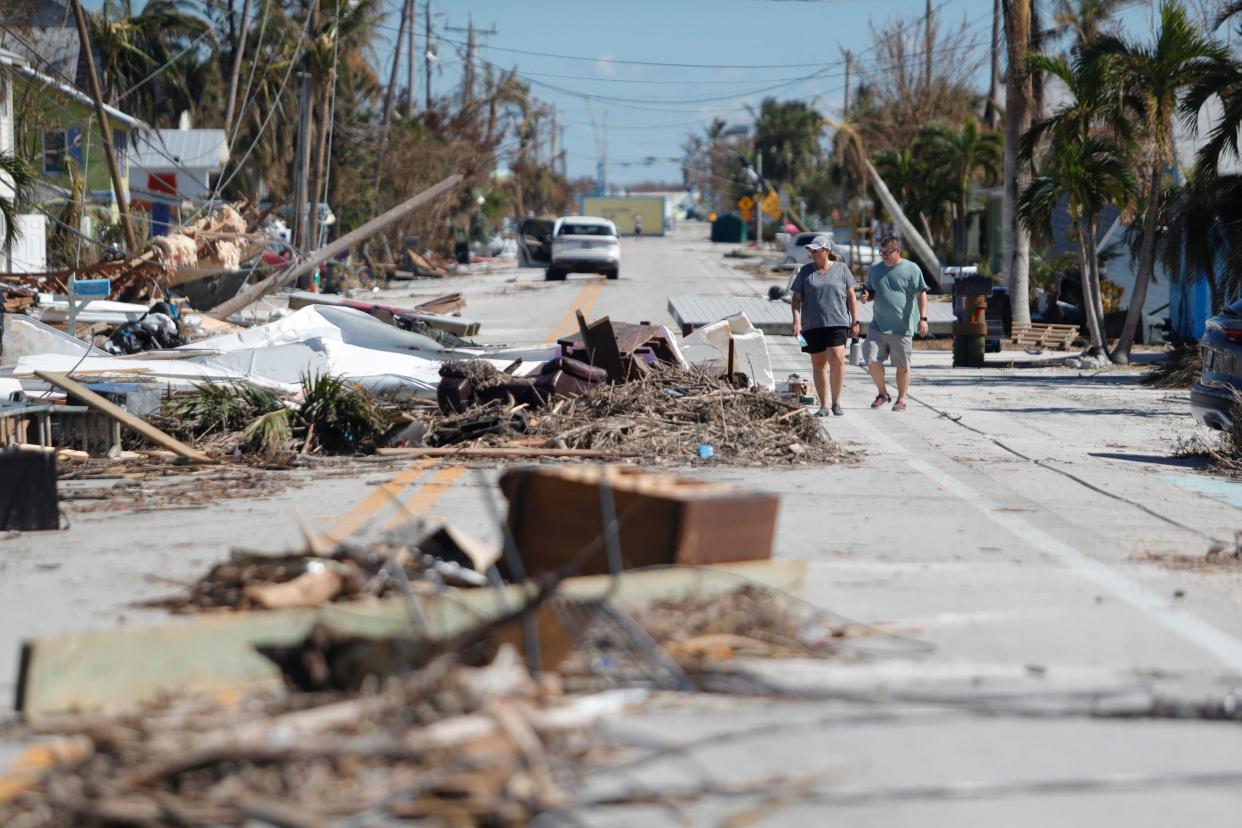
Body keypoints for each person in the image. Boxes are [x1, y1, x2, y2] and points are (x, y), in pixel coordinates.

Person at [791, 234, 860, 417]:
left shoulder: (842, 269)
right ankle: (824, 405)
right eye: (811, 250)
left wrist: (855, 320)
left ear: (827, 250)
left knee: (837, 358)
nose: (812, 253)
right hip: (812, 324)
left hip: (837, 321)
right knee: (818, 362)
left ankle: (837, 402)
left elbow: (852, 297)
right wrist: (796, 322)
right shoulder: (805, 272)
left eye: (816, 249)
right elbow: (796, 299)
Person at [858, 235, 928, 412]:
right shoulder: (875, 269)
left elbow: (921, 294)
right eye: (881, 252)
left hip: (902, 327)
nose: (883, 256)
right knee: (871, 359)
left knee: (902, 366)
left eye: (887, 252)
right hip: (878, 326)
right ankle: (882, 394)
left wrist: (923, 318)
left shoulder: (912, 269)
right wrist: (867, 296)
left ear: (898, 251)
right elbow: (871, 290)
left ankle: (902, 399)